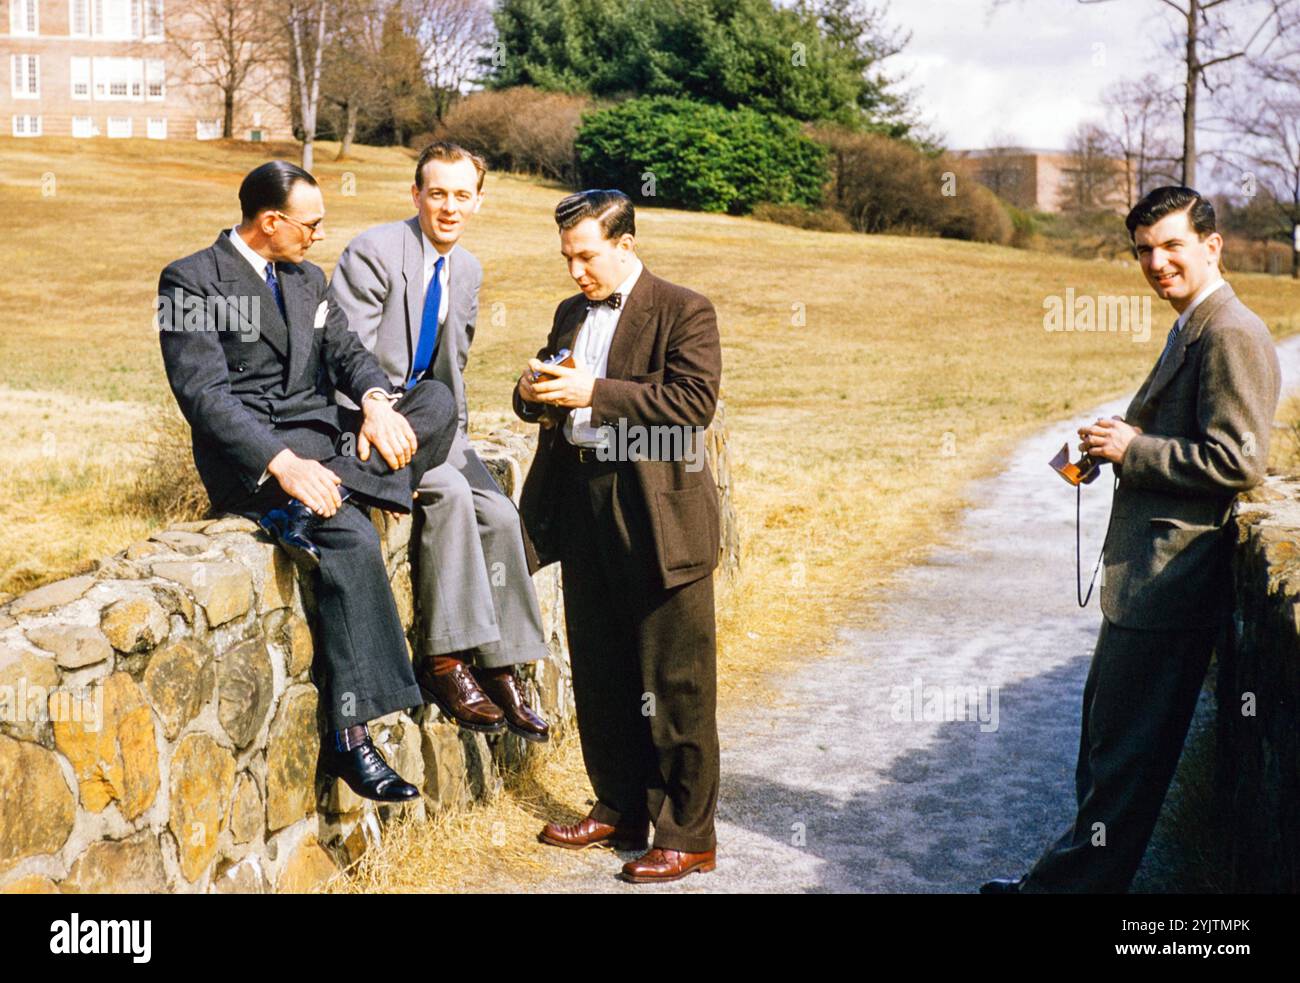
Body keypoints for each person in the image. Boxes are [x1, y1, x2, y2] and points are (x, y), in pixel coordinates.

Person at [982, 186, 1281, 894]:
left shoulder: (1231, 332)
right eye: (1144, 249)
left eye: (1173, 245)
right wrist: (1113, 445)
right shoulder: (1191, 325)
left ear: (1212, 246)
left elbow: (1239, 460)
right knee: (1107, 745)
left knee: (1124, 763)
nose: (1157, 262)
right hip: (1147, 579)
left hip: (1173, 580)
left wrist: (1135, 448)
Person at [156, 160, 458, 802]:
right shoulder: (189, 280)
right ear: (270, 222)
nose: (320, 235)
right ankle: (352, 738)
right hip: (258, 461)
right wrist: (284, 465)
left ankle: (338, 488)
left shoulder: (308, 278)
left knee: (432, 403)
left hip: (329, 447)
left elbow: (347, 354)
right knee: (350, 539)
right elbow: (205, 397)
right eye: (310, 224)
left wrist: (376, 401)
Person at [513, 189, 723, 883]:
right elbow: (553, 391)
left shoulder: (684, 309)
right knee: (601, 671)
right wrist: (532, 389)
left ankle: (688, 834)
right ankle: (620, 807)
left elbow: (689, 407)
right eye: (568, 258)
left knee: (675, 682)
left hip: (660, 515)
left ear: (625, 243)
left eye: (587, 256)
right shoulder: (571, 312)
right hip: (583, 507)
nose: (576, 272)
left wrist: (593, 392)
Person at [329, 142, 550, 742]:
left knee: (500, 513)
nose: (448, 207)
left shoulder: (468, 269)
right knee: (450, 495)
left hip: (434, 419)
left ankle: (503, 666)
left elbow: (451, 367)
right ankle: (445, 661)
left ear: (478, 201)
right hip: (365, 419)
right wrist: (378, 414)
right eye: (437, 194)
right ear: (416, 196)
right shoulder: (375, 252)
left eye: (461, 195)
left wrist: (459, 439)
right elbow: (342, 359)